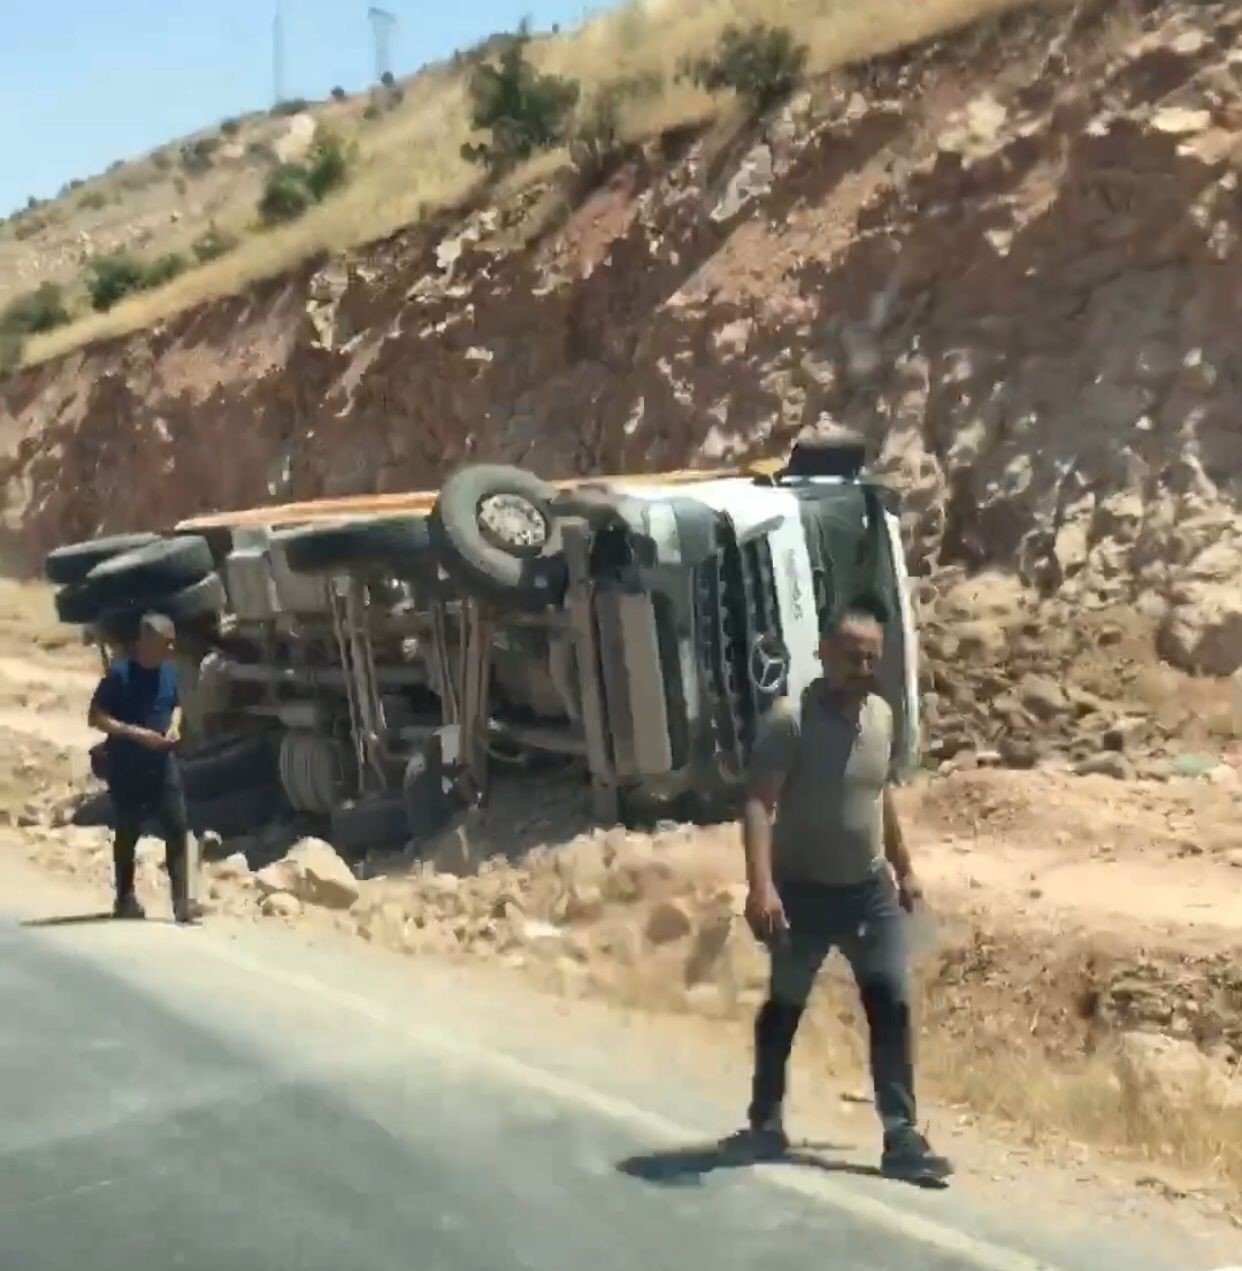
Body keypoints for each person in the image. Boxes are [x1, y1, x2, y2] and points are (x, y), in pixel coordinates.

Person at [741, 604, 952, 1185]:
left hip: (868, 892)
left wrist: (904, 869)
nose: (863, 666)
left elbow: (878, 795)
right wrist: (761, 887)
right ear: (824, 654)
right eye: (851, 654)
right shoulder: (791, 721)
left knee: (890, 1001)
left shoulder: (882, 718)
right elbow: (759, 803)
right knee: (784, 1006)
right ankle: (764, 1117)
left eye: (871, 656)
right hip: (801, 894)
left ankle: (902, 1135)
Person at [88, 613, 201, 925]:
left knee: (177, 828)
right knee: (128, 832)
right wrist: (136, 734)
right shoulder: (120, 674)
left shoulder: (168, 671)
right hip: (127, 765)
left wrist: (175, 726)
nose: (171, 647)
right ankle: (124, 898)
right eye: (166, 642)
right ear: (146, 642)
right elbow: (96, 717)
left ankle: (181, 903)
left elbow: (175, 704)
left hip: (162, 764)